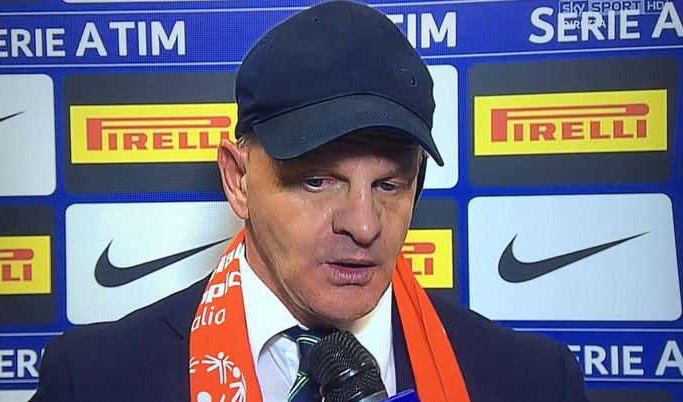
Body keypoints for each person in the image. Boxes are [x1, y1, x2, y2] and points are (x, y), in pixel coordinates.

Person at [31, 2, 589, 401]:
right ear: (238, 179)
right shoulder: (96, 381)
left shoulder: (533, 381)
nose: (364, 226)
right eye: (317, 181)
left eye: (390, 184)